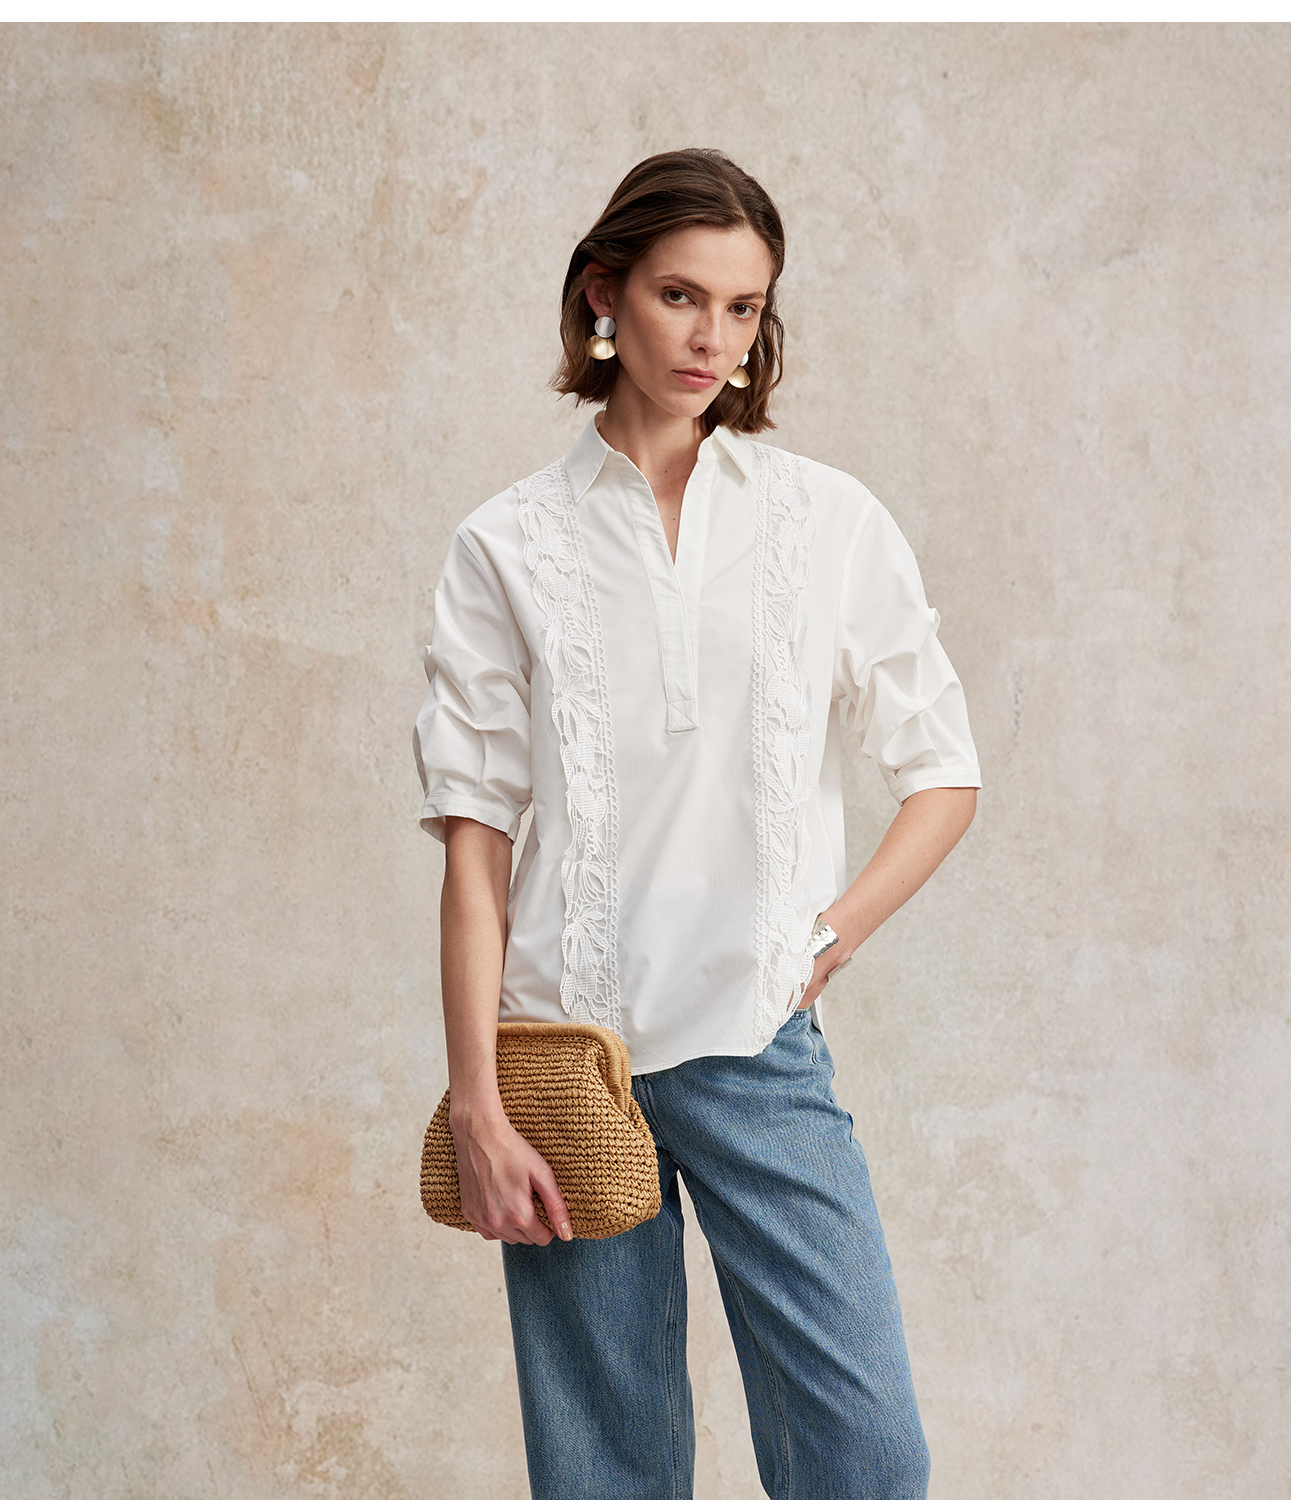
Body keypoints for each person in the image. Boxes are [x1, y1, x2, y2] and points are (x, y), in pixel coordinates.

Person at [413, 148, 980, 1500]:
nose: (711, 338)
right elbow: (476, 855)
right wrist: (478, 1104)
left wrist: (828, 932)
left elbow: (944, 773)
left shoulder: (825, 520)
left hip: (754, 1037)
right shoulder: (505, 546)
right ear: (604, 295)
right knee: (605, 1474)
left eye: (742, 307)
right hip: (567, 1057)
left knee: (867, 1456)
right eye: (681, 296)